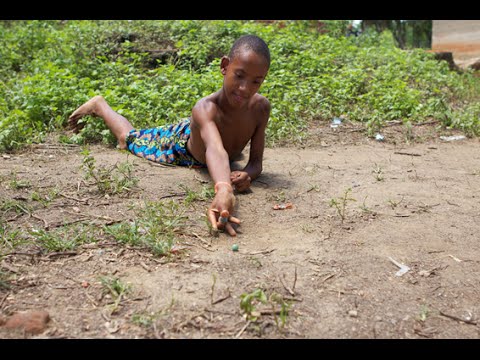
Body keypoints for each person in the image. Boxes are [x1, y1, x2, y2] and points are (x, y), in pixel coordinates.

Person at [68, 34, 271, 237]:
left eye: (256, 81)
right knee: (128, 138)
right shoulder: (205, 108)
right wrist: (224, 188)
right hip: (178, 145)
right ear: (225, 66)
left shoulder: (260, 108)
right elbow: (215, 149)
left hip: (202, 135)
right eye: (239, 75)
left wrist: (248, 175)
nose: (245, 88)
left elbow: (255, 163)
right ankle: (99, 105)